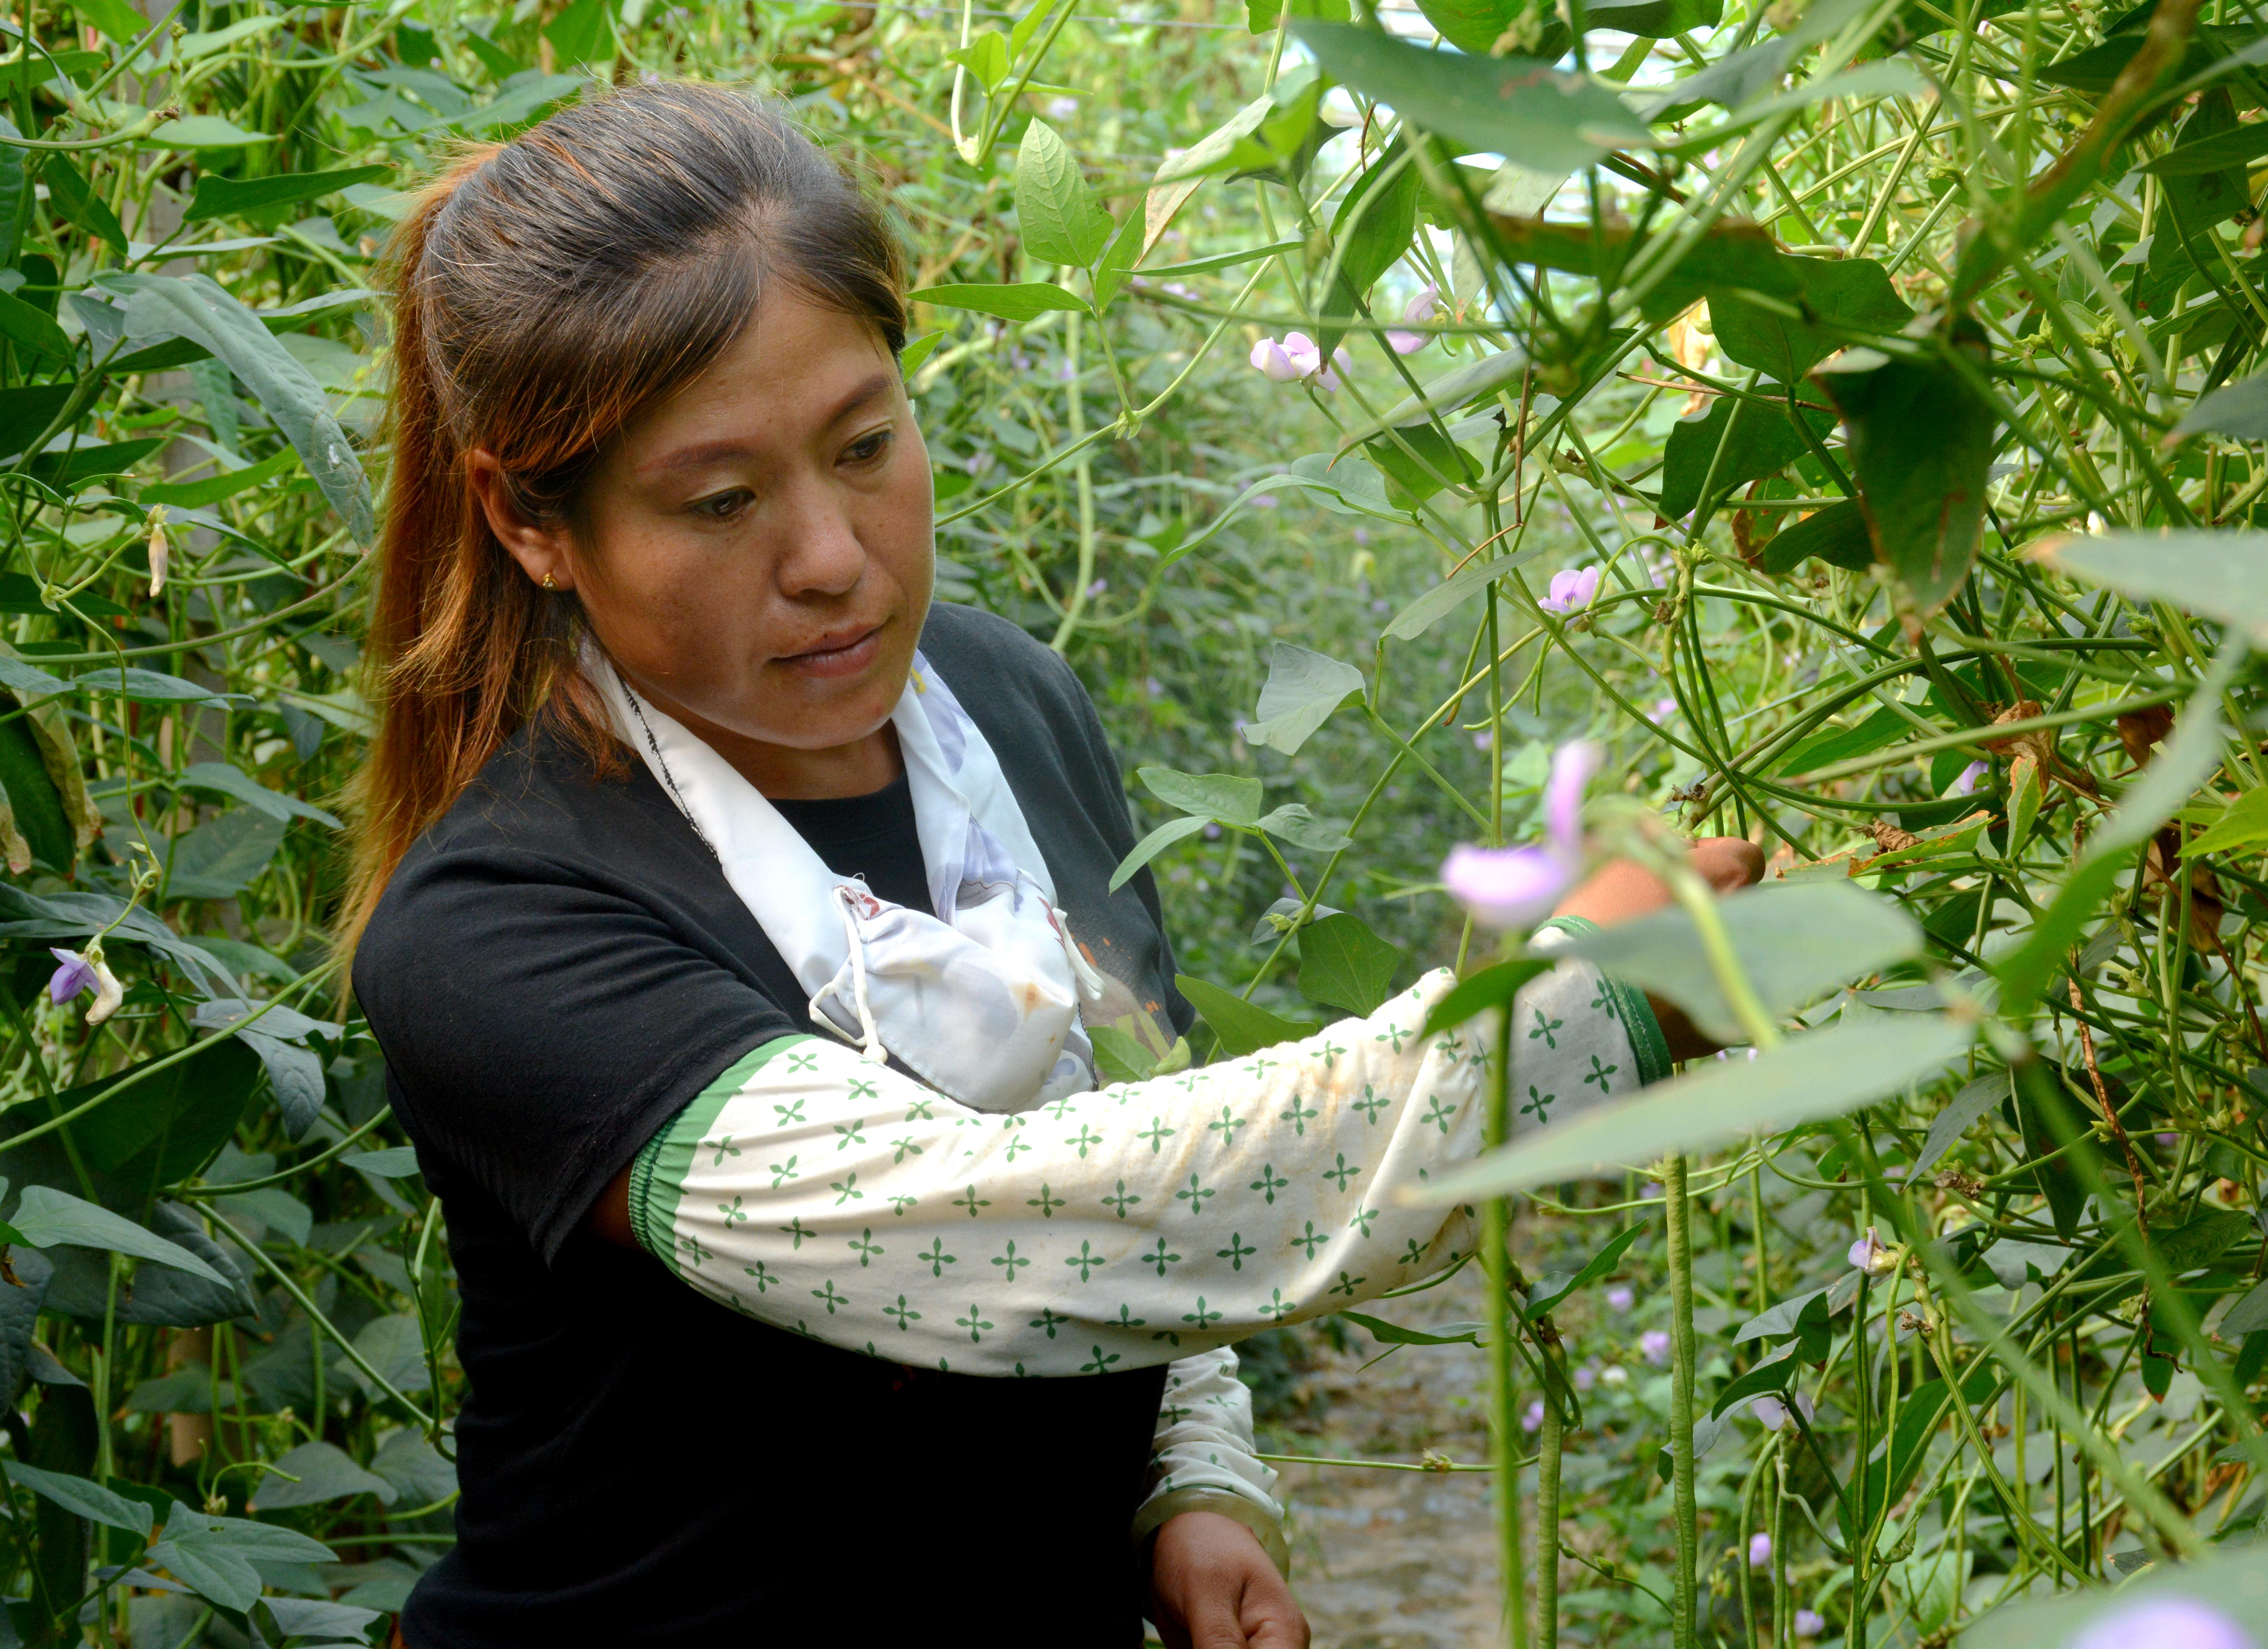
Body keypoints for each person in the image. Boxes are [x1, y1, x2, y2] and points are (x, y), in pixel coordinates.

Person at [345, 81, 1761, 1647]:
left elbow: (1124, 1125)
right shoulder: (500, 929)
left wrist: (1192, 1483)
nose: (832, 557)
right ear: (532, 523)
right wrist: (1570, 1024)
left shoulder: (1010, 709)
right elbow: (1000, 1228)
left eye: (868, 442)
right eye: (723, 500)